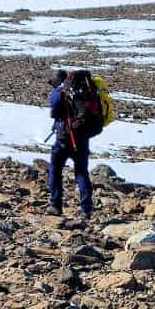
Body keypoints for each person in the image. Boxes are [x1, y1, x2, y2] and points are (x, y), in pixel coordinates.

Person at [46, 70, 96, 218]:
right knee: (81, 172)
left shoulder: (60, 91)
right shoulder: (84, 91)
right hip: (82, 138)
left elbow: (54, 113)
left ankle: (55, 205)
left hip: (64, 137)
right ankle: (86, 209)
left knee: (55, 169)